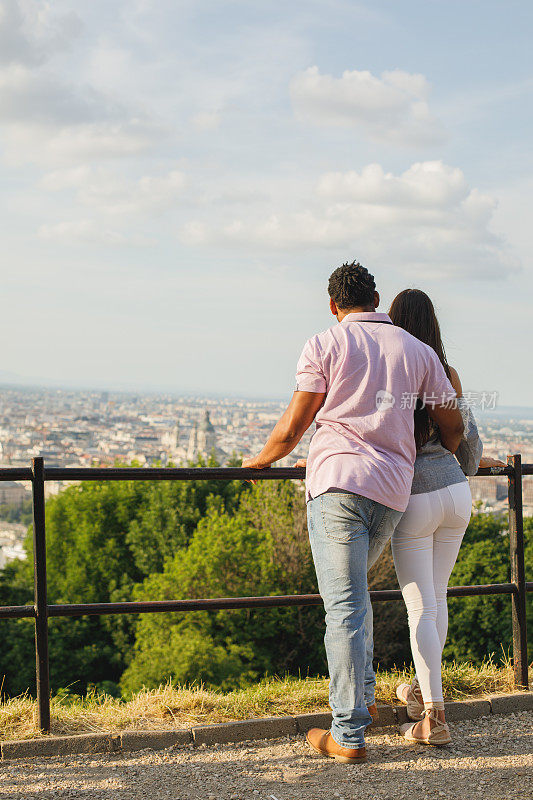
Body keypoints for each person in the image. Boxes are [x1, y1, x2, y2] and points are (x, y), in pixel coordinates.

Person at [242, 261, 464, 762]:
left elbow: (294, 425)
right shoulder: (419, 351)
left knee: (343, 607)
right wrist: (448, 450)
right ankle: (361, 697)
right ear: (377, 298)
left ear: (332, 304)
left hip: (339, 485)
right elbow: (453, 421)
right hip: (391, 490)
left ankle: (348, 734)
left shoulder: (323, 344)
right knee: (355, 599)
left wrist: (261, 459)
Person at [388, 289, 505, 745]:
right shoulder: (446, 371)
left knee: (420, 606)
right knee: (437, 597)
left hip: (414, 496)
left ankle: (434, 719)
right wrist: (479, 463)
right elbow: (469, 440)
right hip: (456, 491)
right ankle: (420, 691)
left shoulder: (393, 375)